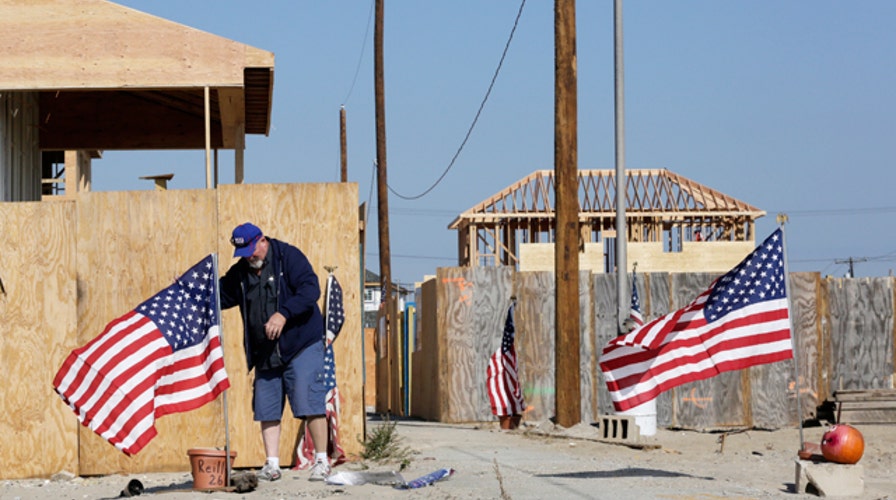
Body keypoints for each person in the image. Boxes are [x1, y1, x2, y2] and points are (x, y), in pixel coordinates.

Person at [219, 222, 331, 482]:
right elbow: (221, 295)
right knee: (266, 406)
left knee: (309, 400)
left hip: (301, 344)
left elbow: (310, 289)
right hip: (266, 349)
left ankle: (322, 460)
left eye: (252, 251)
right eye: (243, 254)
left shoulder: (288, 257)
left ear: (262, 241)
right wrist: (190, 290)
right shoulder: (241, 271)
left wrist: (283, 314)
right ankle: (272, 464)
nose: (249, 257)